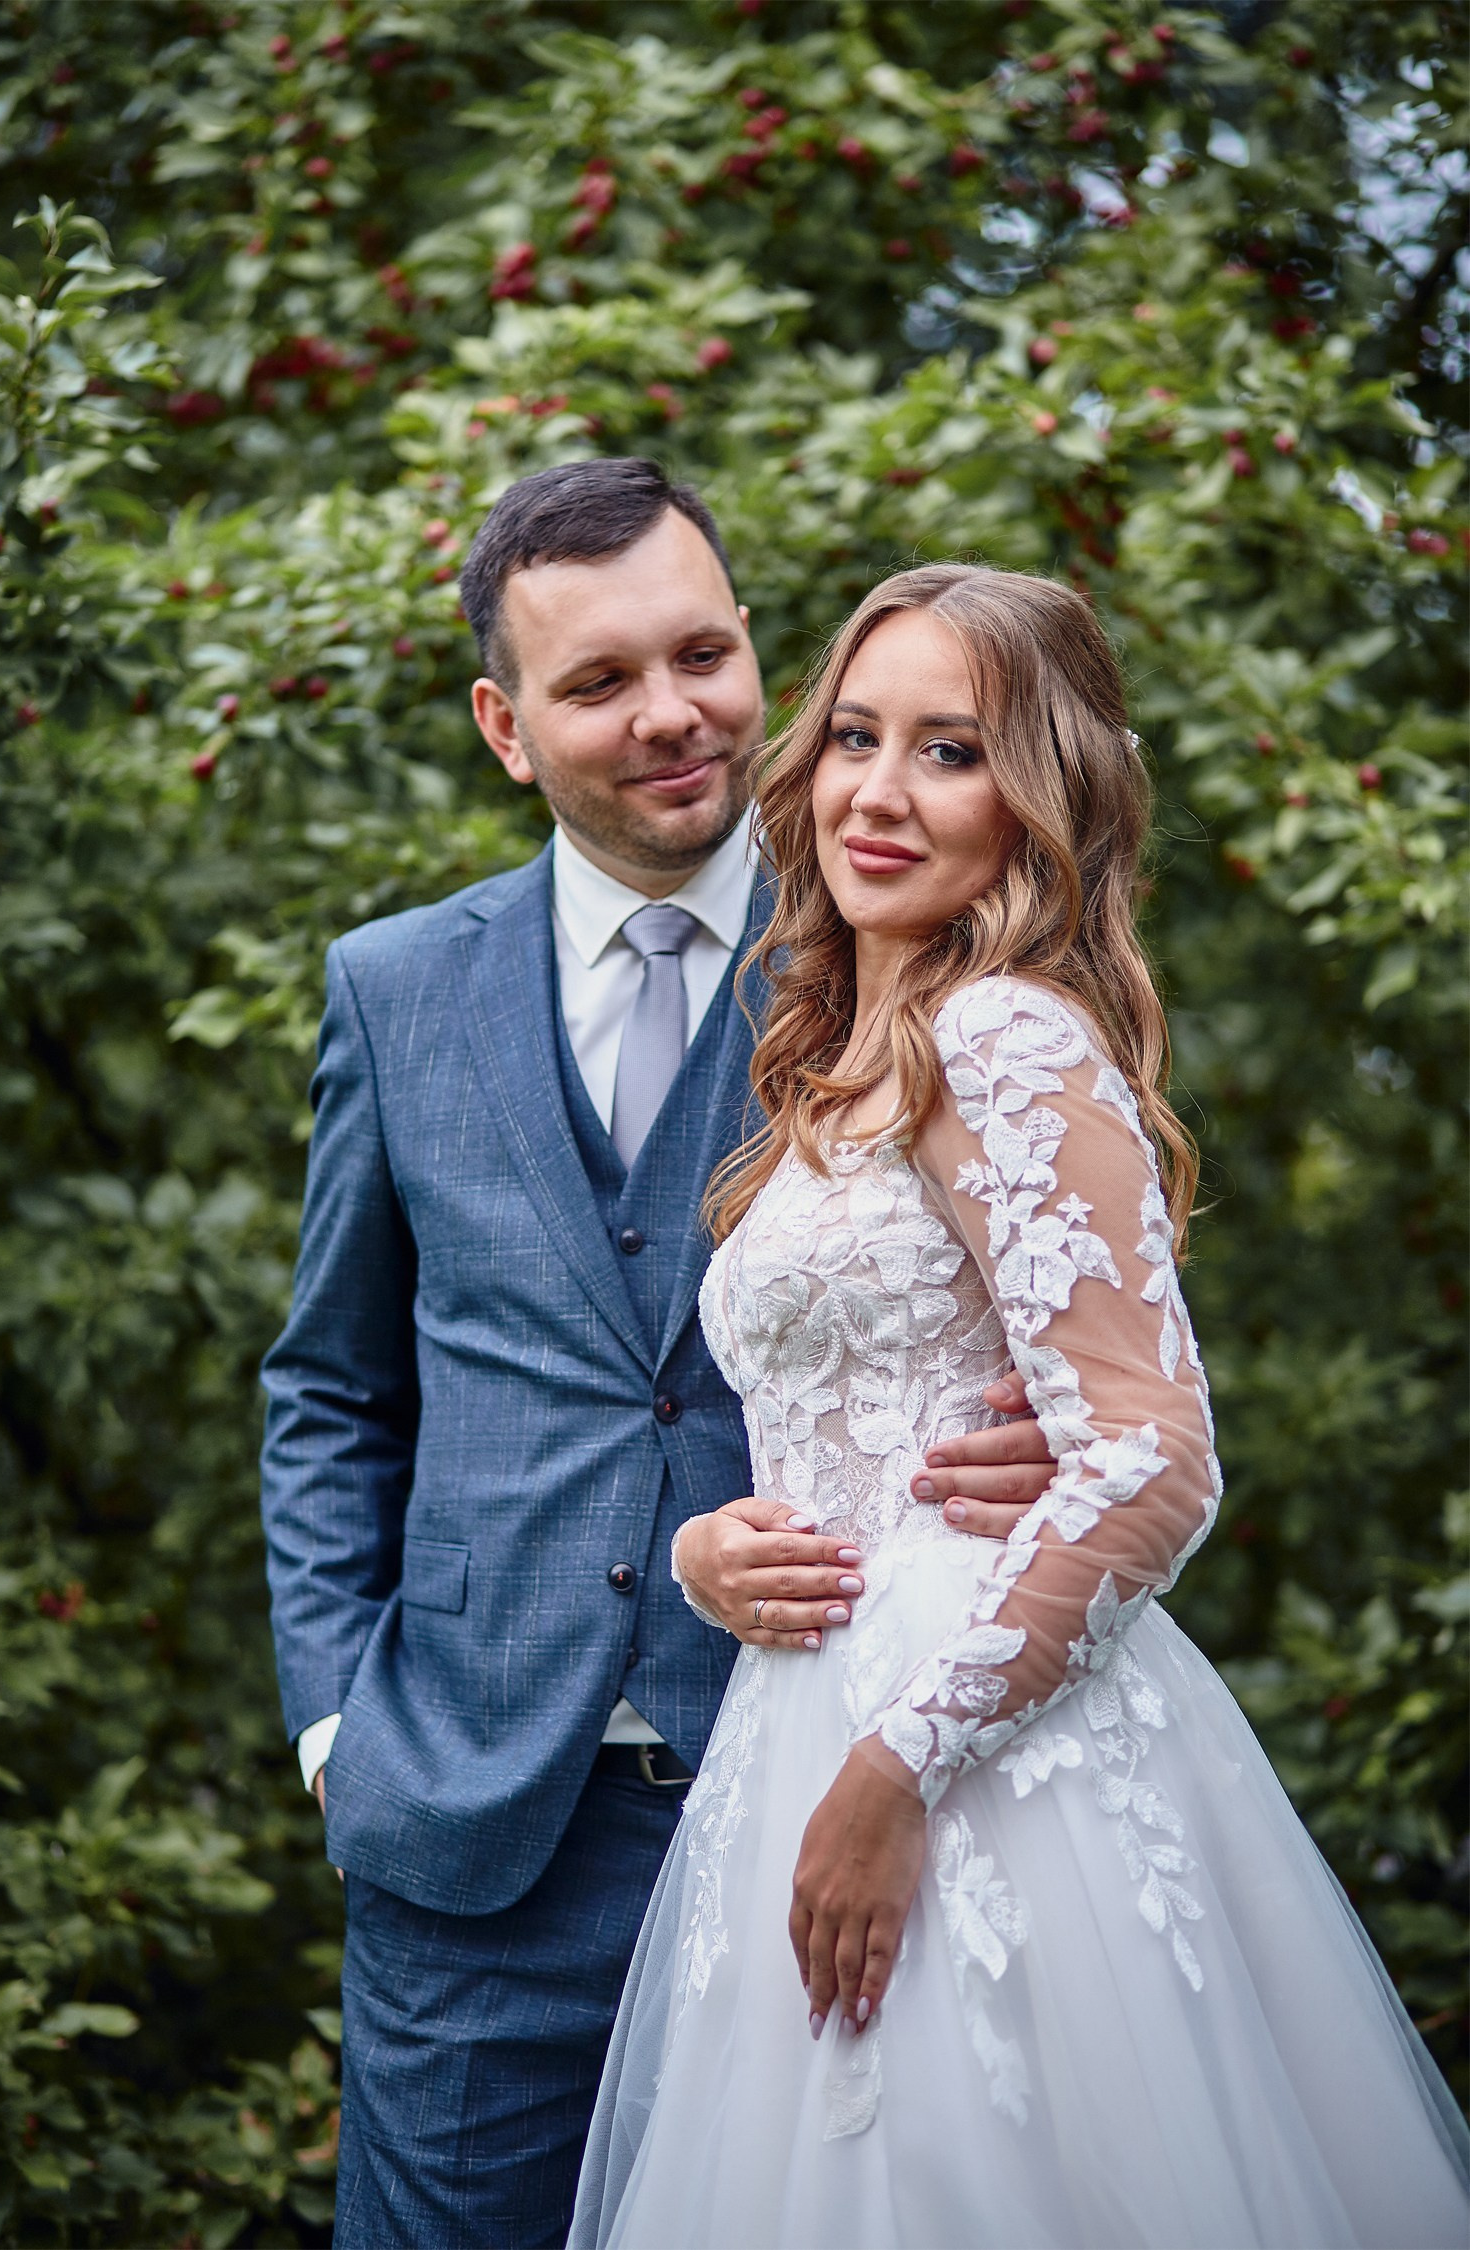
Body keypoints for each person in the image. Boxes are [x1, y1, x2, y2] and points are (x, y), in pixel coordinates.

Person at [569, 562, 1470, 2250]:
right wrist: (707, 1552)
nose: (878, 792)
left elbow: (1155, 1455)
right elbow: (832, 1414)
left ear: (1040, 797)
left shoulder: (1001, 1035)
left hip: (963, 1753)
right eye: (854, 736)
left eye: (952, 751)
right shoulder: (838, 1054)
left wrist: (894, 1770)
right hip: (802, 1715)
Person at [258, 461, 1058, 2248]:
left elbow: (1108, 1353)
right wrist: (334, 1729)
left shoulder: (910, 948)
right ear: (507, 726)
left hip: (824, 1814)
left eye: (703, 654)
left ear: (755, 649)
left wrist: (1051, 1450)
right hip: (475, 1835)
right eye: (601, 680)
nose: (672, 713)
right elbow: (331, 1385)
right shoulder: (396, 987)